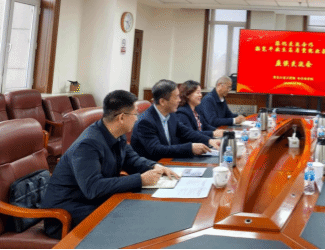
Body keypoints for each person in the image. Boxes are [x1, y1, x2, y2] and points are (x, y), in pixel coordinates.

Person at [41, 90, 179, 239]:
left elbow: (133, 160)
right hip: (67, 214)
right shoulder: (88, 144)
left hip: (92, 202)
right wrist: (140, 180)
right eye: (135, 114)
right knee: (137, 222)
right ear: (121, 117)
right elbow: (93, 188)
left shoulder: (116, 135)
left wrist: (155, 166)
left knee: (145, 211)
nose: (137, 119)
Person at [131, 79, 221, 161]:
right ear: (162, 101)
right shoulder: (145, 122)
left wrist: (209, 140)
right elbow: (156, 150)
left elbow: (186, 132)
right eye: (176, 97)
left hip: (170, 160)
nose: (179, 100)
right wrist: (190, 148)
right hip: (154, 167)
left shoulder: (171, 114)